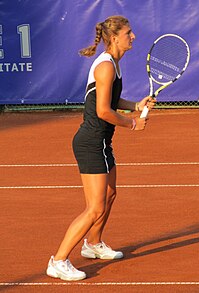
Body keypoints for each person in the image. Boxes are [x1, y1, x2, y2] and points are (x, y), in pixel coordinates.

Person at [46, 15, 156, 281]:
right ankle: (58, 261)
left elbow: (112, 98)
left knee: (109, 195)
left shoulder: (114, 64)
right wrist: (132, 124)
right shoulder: (106, 66)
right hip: (92, 142)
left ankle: (93, 244)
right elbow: (103, 110)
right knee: (94, 207)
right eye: (129, 33)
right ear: (115, 37)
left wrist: (136, 106)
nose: (134, 37)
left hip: (102, 141)